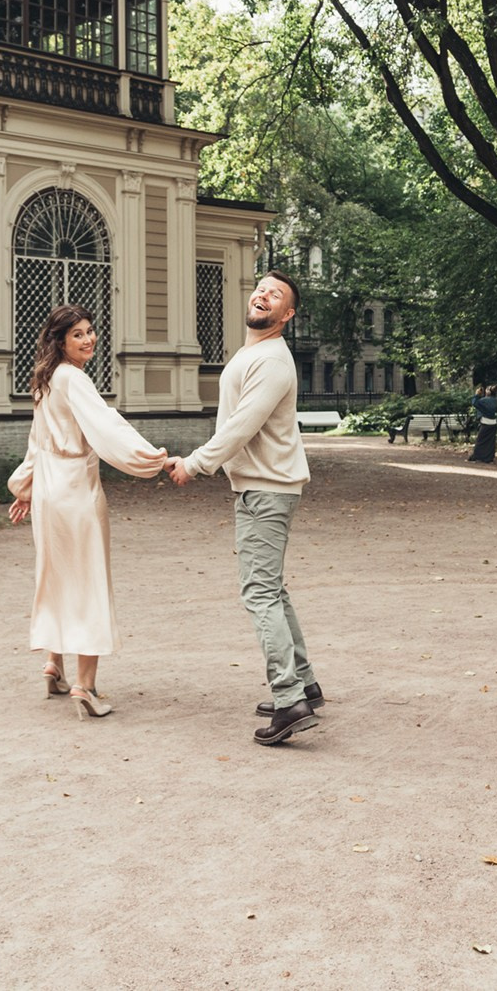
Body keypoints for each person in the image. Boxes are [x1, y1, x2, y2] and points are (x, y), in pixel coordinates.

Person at [166, 270, 322, 746]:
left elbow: (242, 425)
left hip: (267, 489)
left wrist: (195, 464)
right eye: (261, 289)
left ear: (286, 315)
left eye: (275, 295)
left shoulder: (274, 359)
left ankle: (289, 699)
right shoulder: (254, 352)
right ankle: (306, 684)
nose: (263, 296)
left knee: (259, 593)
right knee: (271, 588)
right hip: (261, 486)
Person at [7, 304, 167, 720]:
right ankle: (87, 685)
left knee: (56, 575)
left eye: (90, 331)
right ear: (60, 341)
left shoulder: (44, 379)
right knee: (88, 580)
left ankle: (53, 665)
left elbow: (36, 441)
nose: (89, 339)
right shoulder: (73, 379)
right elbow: (107, 425)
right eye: (78, 334)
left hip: (47, 489)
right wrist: (152, 458)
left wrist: (24, 488)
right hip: (76, 489)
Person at [468, 385, 497, 463]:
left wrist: (477, 395)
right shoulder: (495, 401)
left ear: (488, 392)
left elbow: (475, 403)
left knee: (480, 440)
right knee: (490, 442)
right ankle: (489, 458)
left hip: (486, 422)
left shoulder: (484, 400)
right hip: (493, 423)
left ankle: (477, 456)